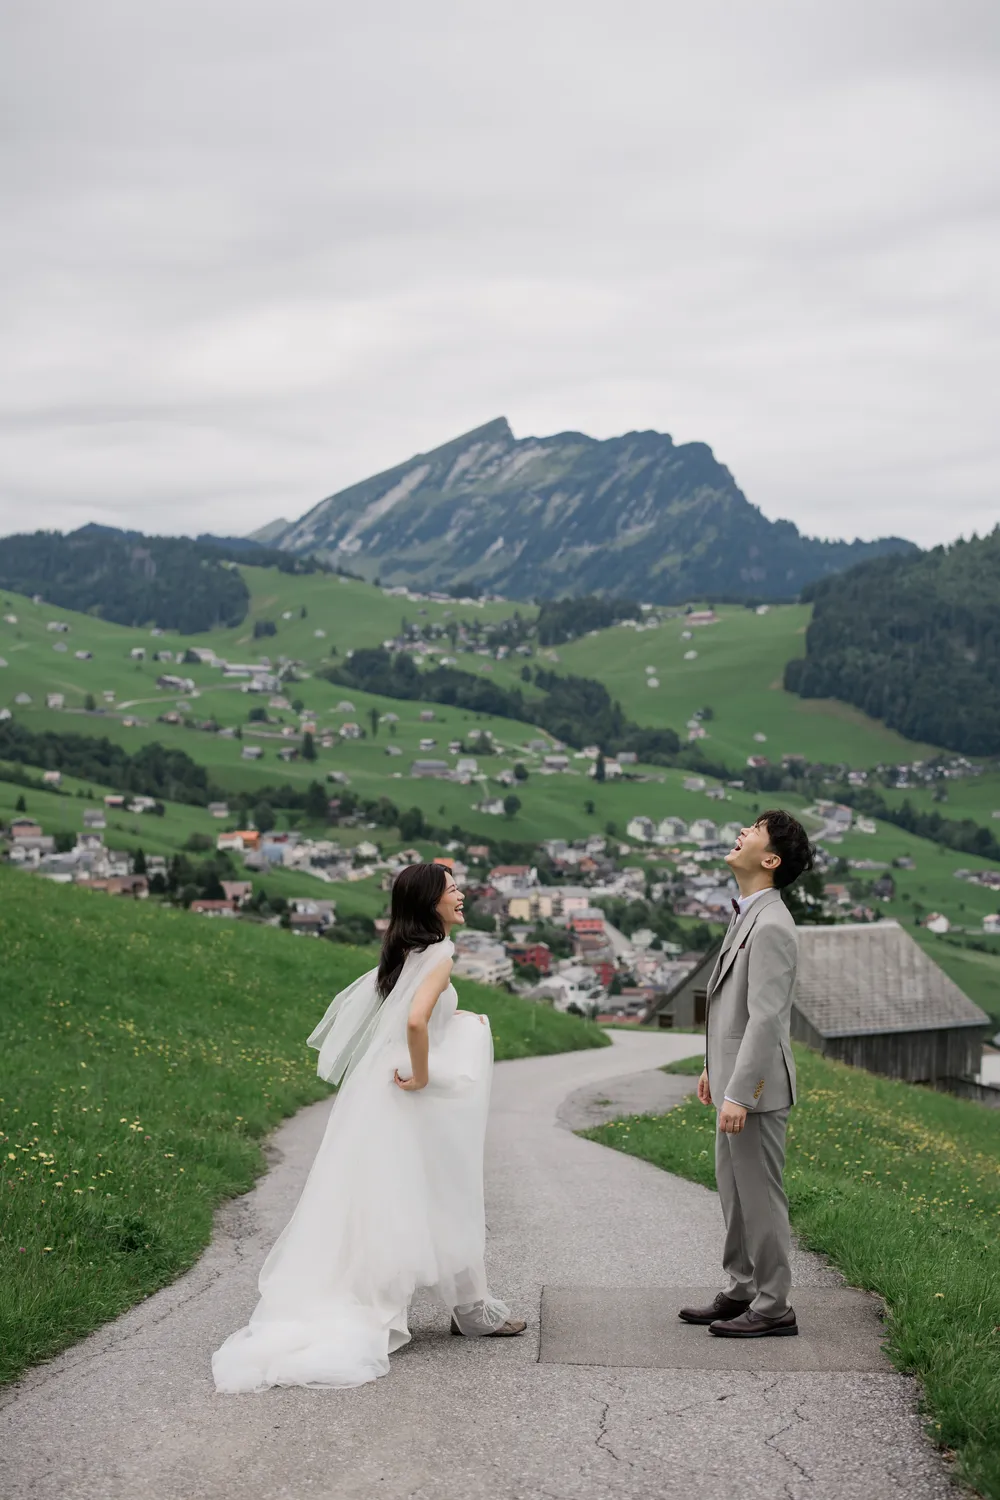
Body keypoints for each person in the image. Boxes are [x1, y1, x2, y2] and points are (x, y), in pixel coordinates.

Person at [213, 862, 524, 1392]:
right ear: (430, 903)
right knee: (448, 1190)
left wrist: (459, 1023)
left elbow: (411, 1018)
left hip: (378, 1092)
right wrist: (424, 1076)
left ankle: (460, 1303)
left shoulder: (403, 952)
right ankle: (470, 1308)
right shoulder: (441, 954)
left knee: (381, 1197)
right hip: (409, 1094)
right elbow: (414, 1022)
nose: (462, 895)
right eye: (453, 890)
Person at [678, 809, 813, 1339]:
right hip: (735, 1084)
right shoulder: (748, 913)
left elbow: (766, 1019)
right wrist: (714, 1068)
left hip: (755, 1091)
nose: (740, 833)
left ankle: (775, 1304)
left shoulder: (774, 924)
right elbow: (729, 1009)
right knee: (735, 1195)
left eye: (753, 831)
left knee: (760, 1196)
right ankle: (741, 1289)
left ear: (771, 859)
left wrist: (741, 1091)